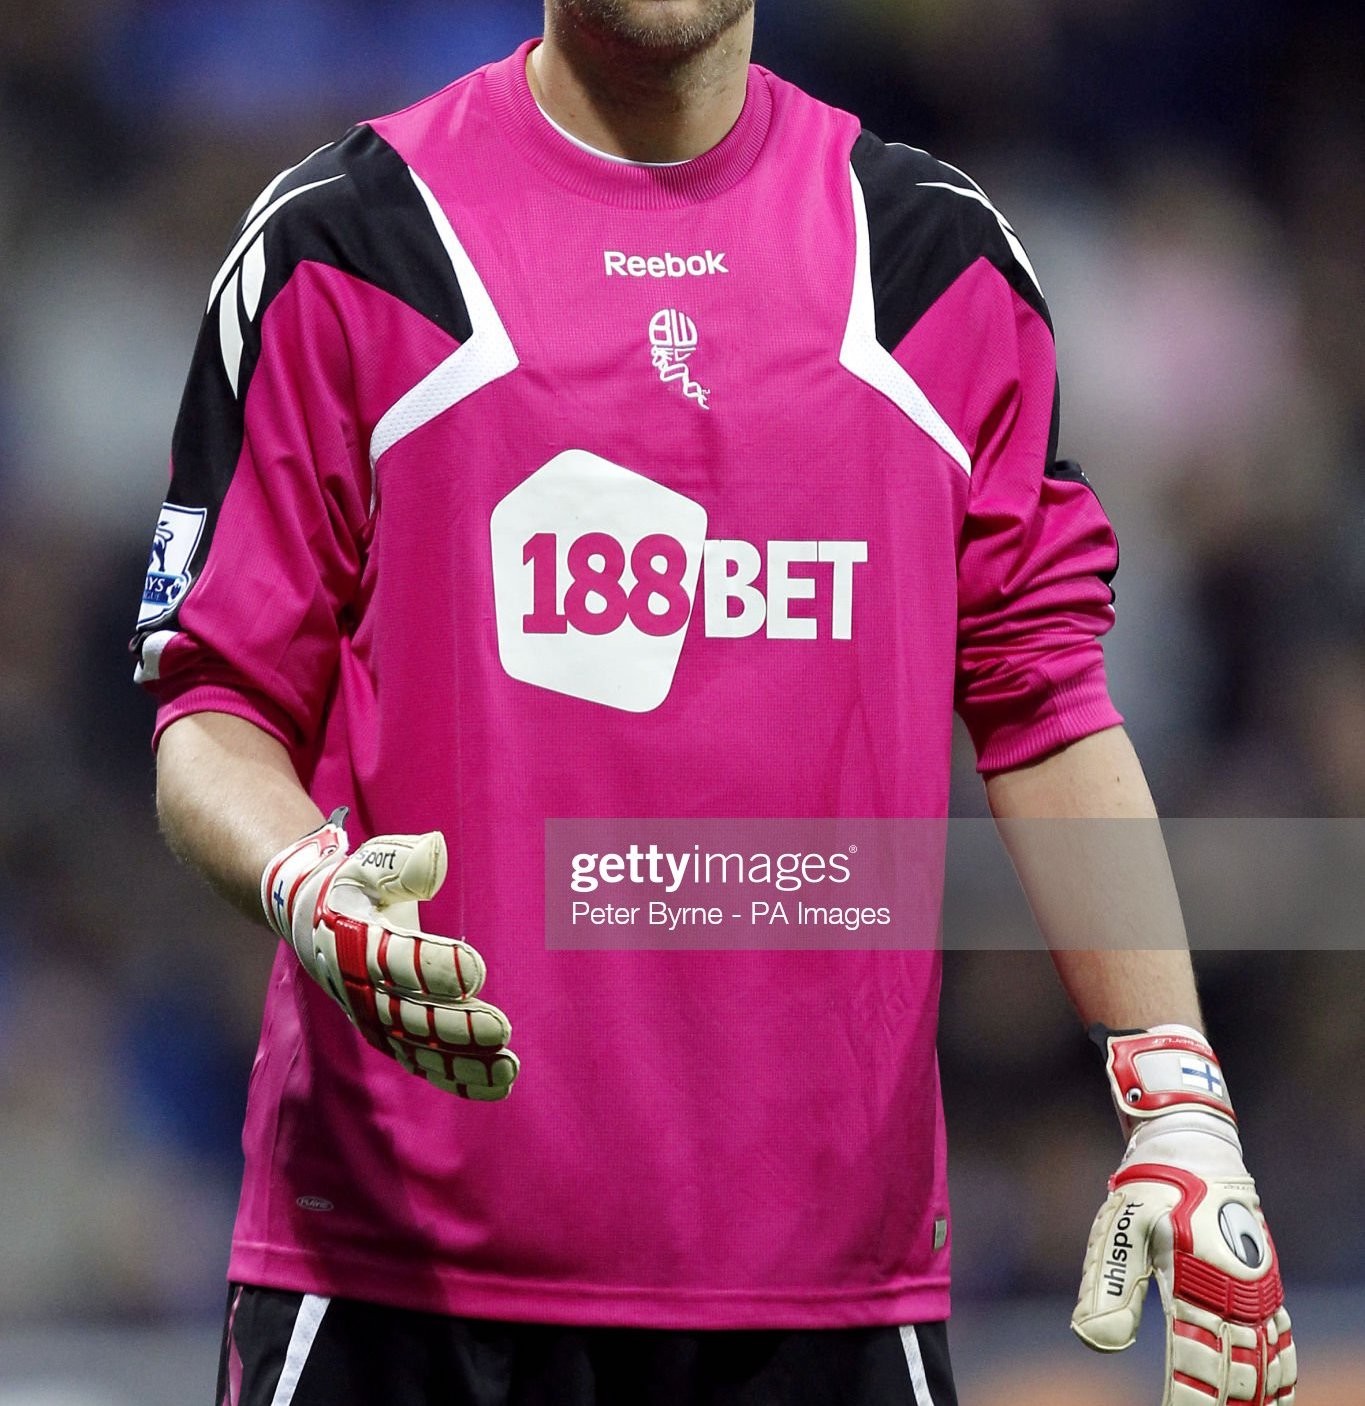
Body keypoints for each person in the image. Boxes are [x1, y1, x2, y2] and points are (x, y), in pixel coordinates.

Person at [134, 3, 1296, 1403]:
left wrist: (1176, 1096)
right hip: (395, 1287)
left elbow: (1044, 703)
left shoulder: (931, 264)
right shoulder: (350, 241)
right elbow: (212, 710)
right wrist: (308, 885)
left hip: (829, 1305)